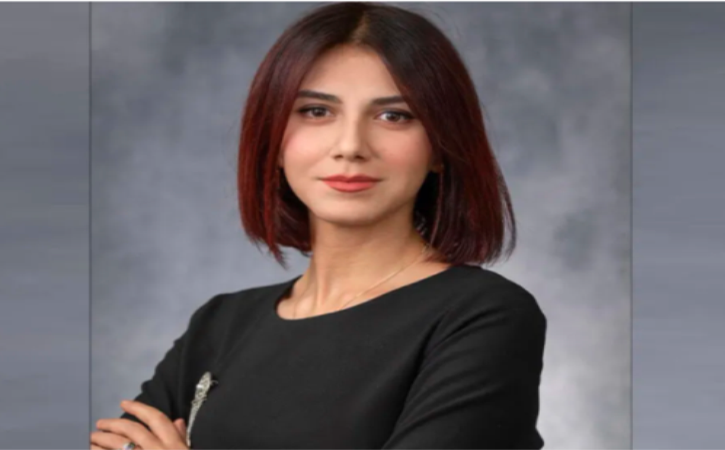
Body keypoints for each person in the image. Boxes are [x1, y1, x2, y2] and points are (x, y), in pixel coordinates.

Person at [91, 2, 547, 450]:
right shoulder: (219, 324)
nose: (350, 146)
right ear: (273, 140)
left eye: (394, 116)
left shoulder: (484, 316)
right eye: (315, 111)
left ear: (441, 148)